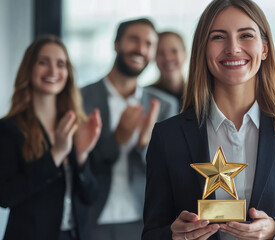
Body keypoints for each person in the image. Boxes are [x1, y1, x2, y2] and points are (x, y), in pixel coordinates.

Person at [142, 0, 275, 239]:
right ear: (202, 49)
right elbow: (151, 233)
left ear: (264, 49)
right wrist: (174, 235)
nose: (233, 48)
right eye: (218, 37)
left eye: (245, 35)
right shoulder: (168, 136)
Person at [80, 18, 178, 240]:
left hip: (144, 220)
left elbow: (170, 173)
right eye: (133, 39)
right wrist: (117, 139)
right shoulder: (81, 99)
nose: (140, 49)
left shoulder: (165, 106)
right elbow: (77, 166)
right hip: (92, 217)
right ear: (116, 44)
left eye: (149, 44)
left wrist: (145, 145)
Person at [0, 35, 101, 240]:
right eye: (43, 62)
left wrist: (81, 156)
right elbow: (6, 196)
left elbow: (91, 196)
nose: (53, 71)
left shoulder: (76, 125)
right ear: (29, 69)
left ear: (68, 73)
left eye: (61, 64)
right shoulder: (8, 129)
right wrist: (55, 154)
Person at [152, 31, 187, 109]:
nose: (167, 58)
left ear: (185, 55)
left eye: (174, 51)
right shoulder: (146, 96)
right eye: (160, 52)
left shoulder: (199, 94)